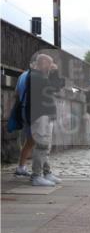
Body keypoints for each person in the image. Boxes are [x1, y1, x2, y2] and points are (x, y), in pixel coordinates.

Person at [24, 53, 65, 186]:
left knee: (46, 146)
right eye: (49, 64)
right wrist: (55, 72)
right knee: (41, 145)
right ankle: (36, 176)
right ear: (42, 63)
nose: (50, 67)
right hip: (40, 115)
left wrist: (53, 73)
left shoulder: (39, 76)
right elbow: (55, 86)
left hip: (46, 115)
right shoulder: (35, 76)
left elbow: (56, 86)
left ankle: (46, 173)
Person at [13, 60, 36, 177]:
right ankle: (38, 172)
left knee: (30, 141)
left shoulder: (22, 75)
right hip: (31, 111)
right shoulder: (34, 76)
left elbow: (16, 93)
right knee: (36, 140)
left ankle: (21, 167)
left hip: (23, 109)